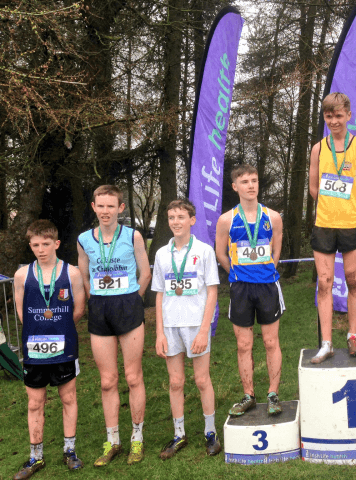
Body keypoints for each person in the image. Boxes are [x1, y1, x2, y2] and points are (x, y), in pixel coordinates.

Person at [77, 185, 151, 466]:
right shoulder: (83, 239)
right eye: (101, 206)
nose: (105, 211)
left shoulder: (132, 236)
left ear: (120, 208)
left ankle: (137, 438)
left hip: (128, 307)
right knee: (108, 381)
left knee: (133, 377)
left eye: (111, 206)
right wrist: (95, 299)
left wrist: (134, 300)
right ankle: (112, 441)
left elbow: (145, 273)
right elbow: (84, 275)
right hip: (100, 310)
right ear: (93, 207)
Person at [13, 220, 86, 479]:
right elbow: (22, 313)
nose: (41, 249)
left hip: (64, 348)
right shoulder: (22, 275)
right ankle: (36, 456)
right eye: (35, 245)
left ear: (56, 243)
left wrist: (59, 327)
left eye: (46, 244)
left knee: (68, 398)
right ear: (30, 246)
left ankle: (70, 451)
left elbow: (78, 310)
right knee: (35, 402)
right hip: (34, 350)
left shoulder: (72, 273)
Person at [308, 92, 356, 363]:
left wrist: (350, 204)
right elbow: (314, 188)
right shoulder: (318, 148)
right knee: (324, 283)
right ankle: (326, 343)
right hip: (323, 225)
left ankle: (352, 335)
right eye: (328, 116)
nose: (334, 121)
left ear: (348, 115)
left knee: (352, 279)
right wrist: (331, 204)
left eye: (338, 115)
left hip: (350, 225)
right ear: (324, 117)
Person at [152, 199, 221, 459]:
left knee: (202, 380)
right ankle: (179, 434)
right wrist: (159, 332)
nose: (176, 222)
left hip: (195, 325)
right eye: (171, 217)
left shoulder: (204, 251)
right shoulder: (161, 253)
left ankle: (210, 432)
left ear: (192, 220)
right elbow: (159, 295)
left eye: (181, 217)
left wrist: (205, 330)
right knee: (175, 382)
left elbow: (212, 292)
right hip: (170, 326)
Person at [216, 164, 285, 417]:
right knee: (244, 344)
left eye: (254, 180)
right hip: (241, 288)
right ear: (235, 187)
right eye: (244, 181)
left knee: (270, 341)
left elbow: (276, 250)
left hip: (267, 285)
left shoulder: (273, 217)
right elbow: (221, 253)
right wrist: (236, 273)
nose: (251, 185)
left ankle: (273, 393)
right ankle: (249, 395)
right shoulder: (226, 219)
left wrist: (267, 269)